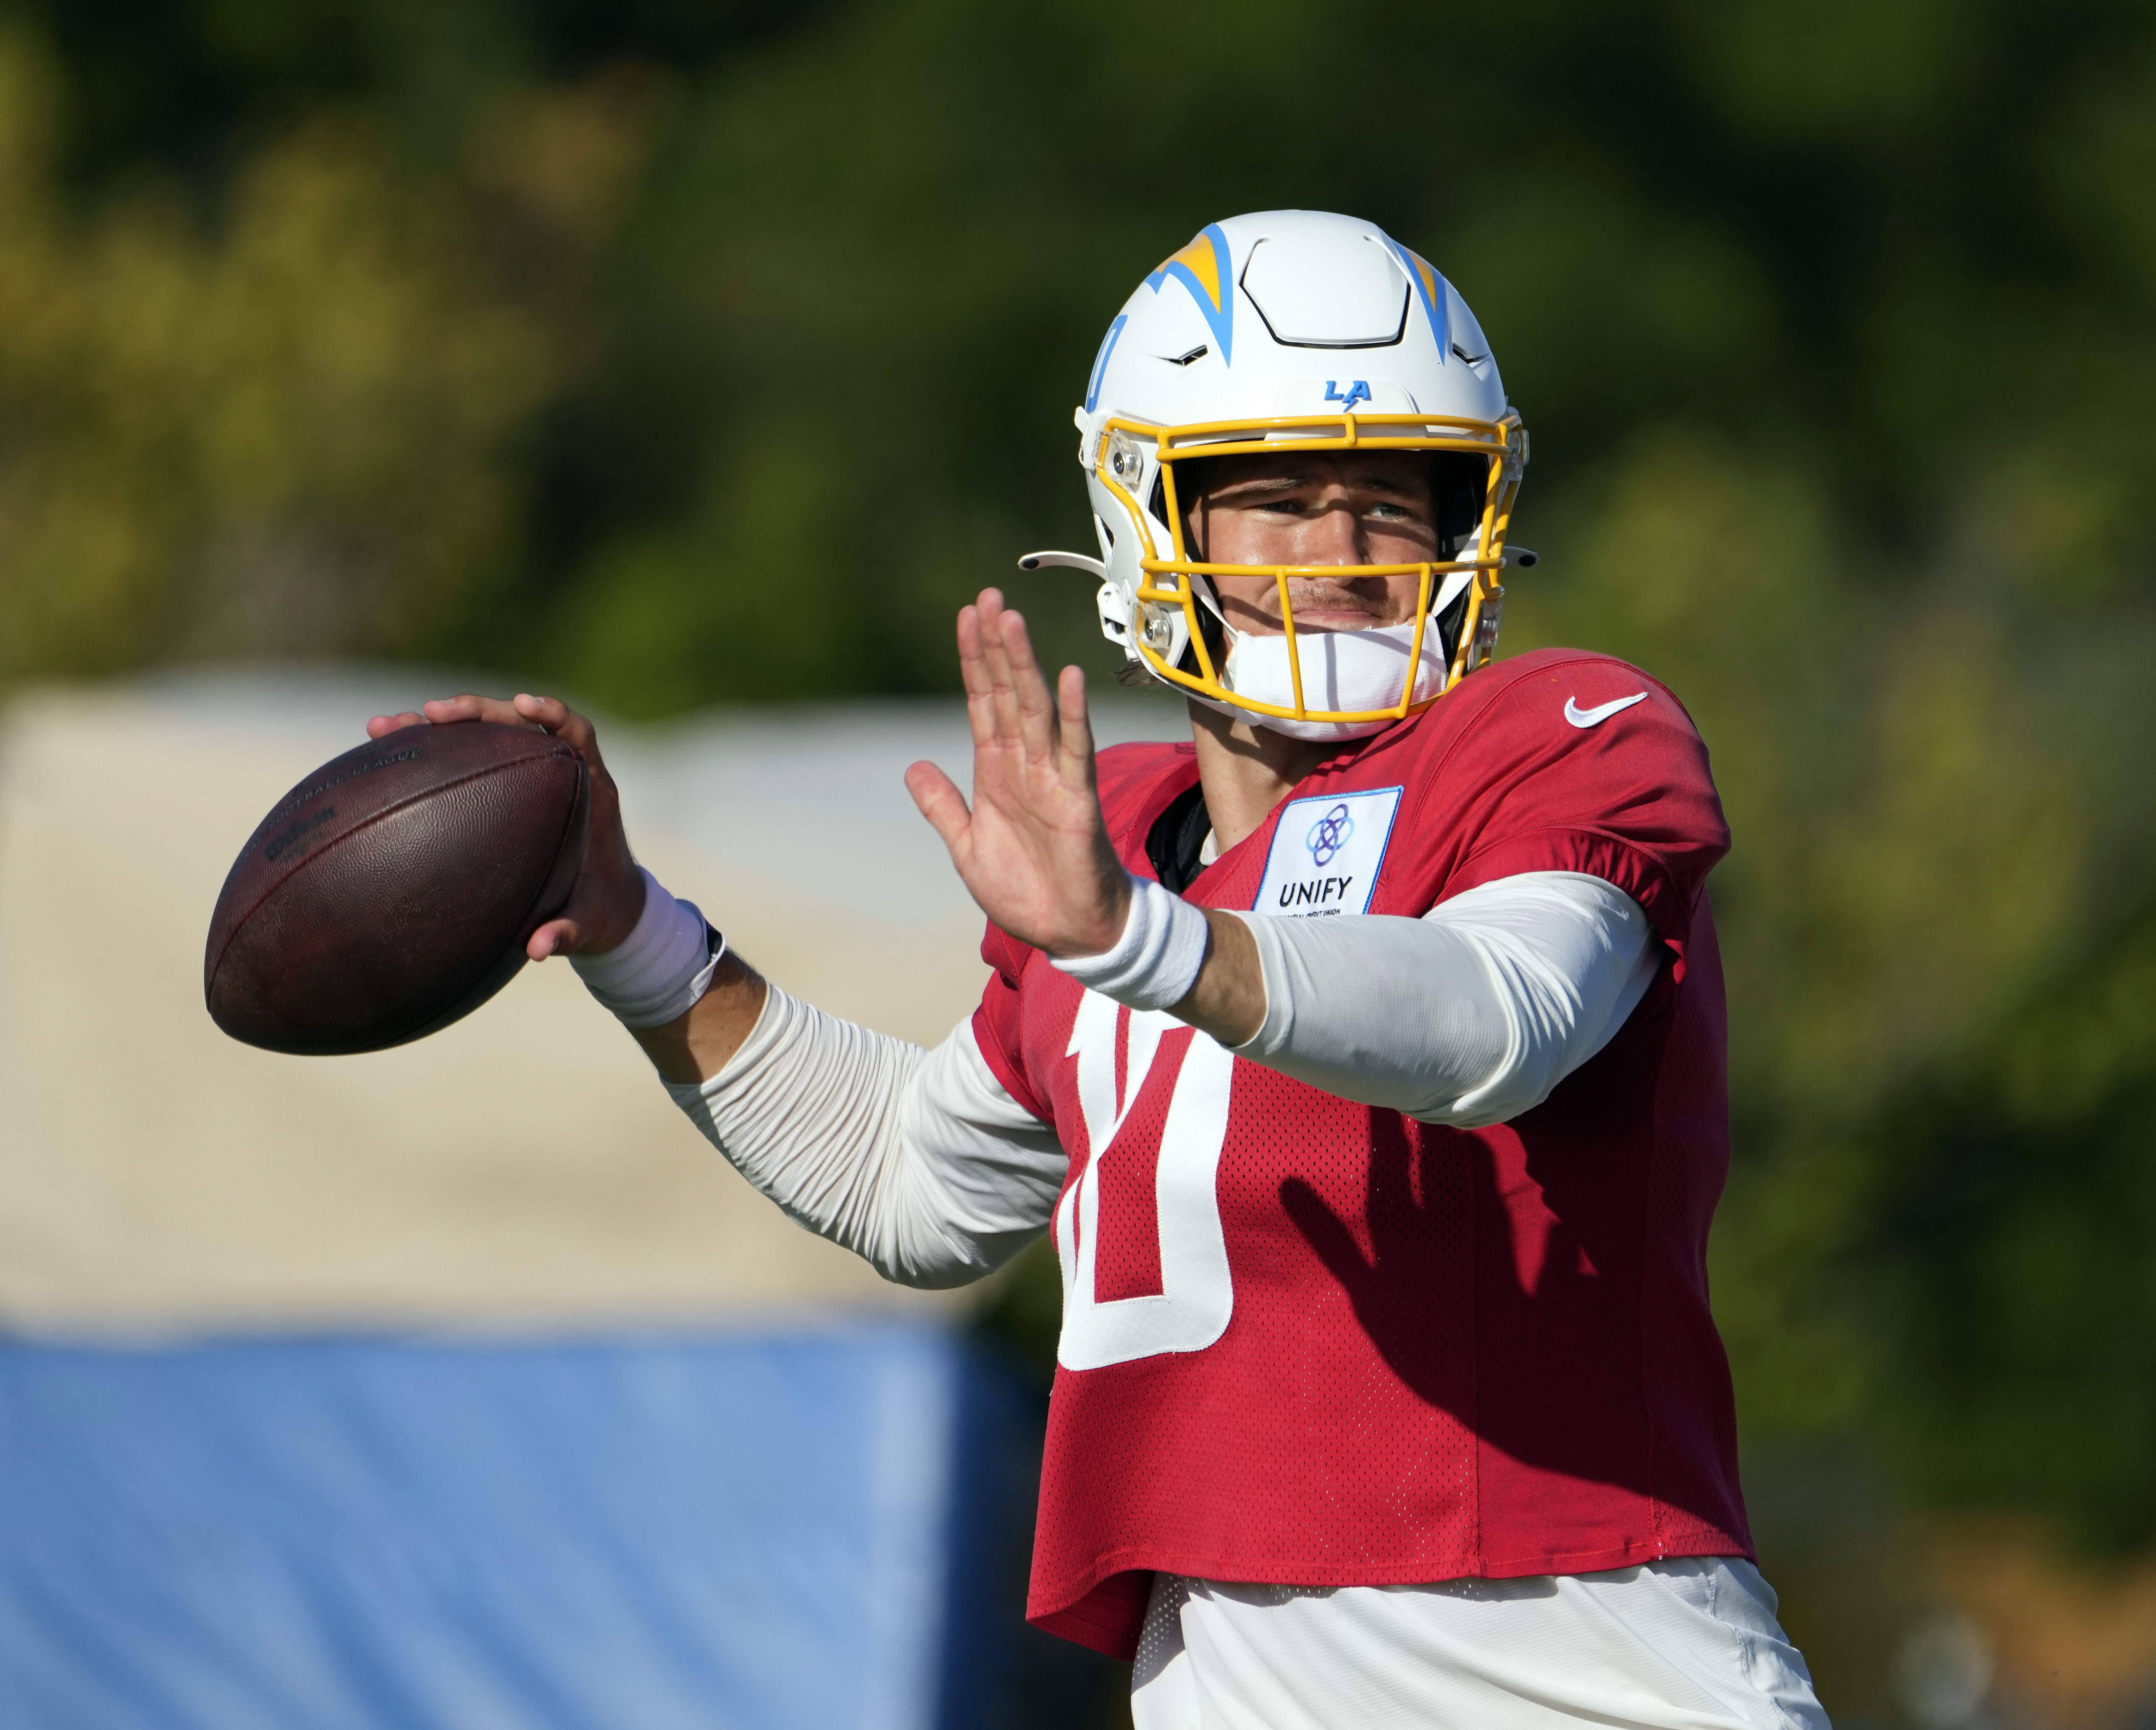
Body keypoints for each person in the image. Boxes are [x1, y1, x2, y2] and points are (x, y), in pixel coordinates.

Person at [371, 210, 1830, 1729]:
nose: (1341, 556)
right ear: (1148, 520)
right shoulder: (1119, 836)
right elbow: (911, 1189)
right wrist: (627, 924)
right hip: (1232, 1676)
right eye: (1277, 499)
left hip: (1573, 1675)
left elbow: (1501, 1024)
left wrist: (1148, 944)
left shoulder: (1553, 740)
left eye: (1395, 502)